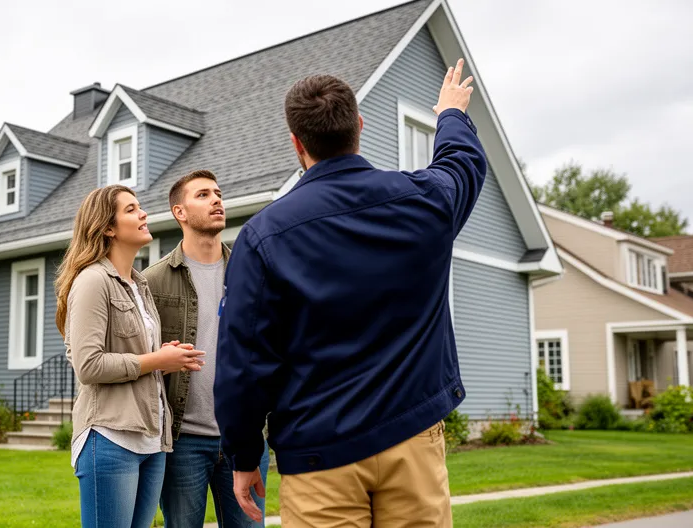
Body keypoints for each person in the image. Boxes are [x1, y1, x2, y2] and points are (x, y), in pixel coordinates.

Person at [214, 59, 484, 527]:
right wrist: (449, 115)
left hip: (320, 458)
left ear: (296, 142)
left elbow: (244, 362)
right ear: (359, 125)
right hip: (413, 443)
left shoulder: (263, 237)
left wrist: (243, 455)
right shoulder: (424, 203)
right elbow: (462, 164)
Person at [56, 184, 206, 528]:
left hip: (153, 440)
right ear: (108, 227)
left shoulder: (139, 284)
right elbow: (87, 364)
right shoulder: (93, 280)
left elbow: (126, 355)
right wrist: (156, 361)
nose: (143, 214)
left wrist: (163, 356)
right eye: (131, 209)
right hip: (110, 437)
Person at [143, 170, 270, 527]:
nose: (216, 199)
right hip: (184, 440)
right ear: (179, 212)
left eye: (218, 193)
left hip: (243, 437)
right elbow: (141, 356)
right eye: (202, 195)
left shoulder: (248, 272)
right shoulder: (153, 280)